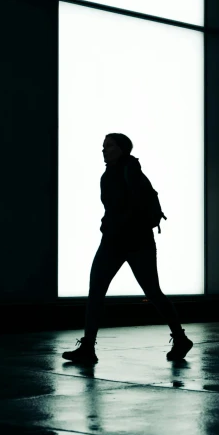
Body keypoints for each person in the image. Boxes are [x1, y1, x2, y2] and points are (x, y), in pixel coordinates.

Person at [62, 133, 193, 364]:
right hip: (118, 240)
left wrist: (116, 224)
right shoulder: (109, 174)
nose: (103, 150)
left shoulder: (130, 171)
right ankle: (88, 348)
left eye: (108, 146)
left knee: (148, 292)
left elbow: (133, 206)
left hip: (133, 241)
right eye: (103, 147)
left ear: (122, 149)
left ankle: (180, 338)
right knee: (102, 291)